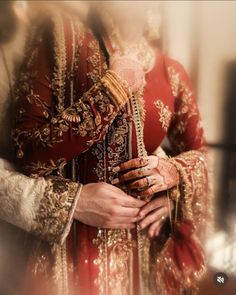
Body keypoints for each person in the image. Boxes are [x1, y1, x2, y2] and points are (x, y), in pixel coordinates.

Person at [11, 1, 209, 295]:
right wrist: (113, 88)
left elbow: (203, 158)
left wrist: (174, 184)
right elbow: (26, 153)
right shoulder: (60, 39)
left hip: (143, 259)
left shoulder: (171, 71)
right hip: (68, 253)